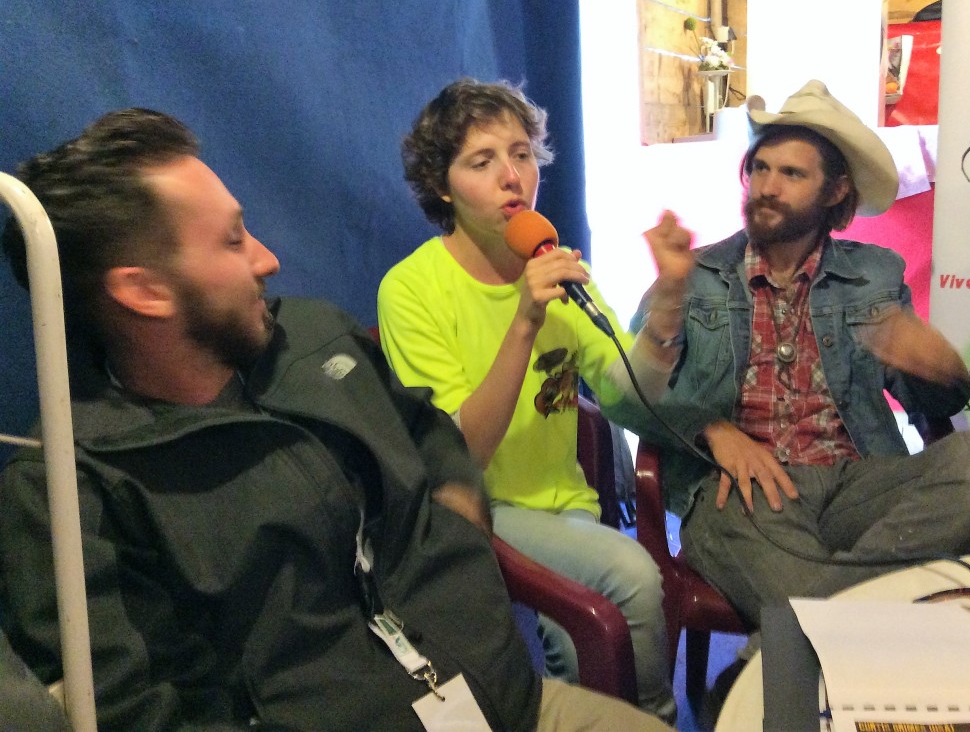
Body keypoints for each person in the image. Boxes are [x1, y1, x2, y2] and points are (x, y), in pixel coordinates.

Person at [0, 108, 676, 732]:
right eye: (233, 241)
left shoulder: (316, 335)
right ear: (144, 290)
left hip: (504, 698)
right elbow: (138, 712)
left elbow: (433, 435)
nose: (267, 259)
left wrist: (461, 550)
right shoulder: (73, 492)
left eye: (522, 153)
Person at [607, 80, 970, 636]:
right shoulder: (697, 275)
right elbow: (623, 397)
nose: (767, 187)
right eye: (760, 168)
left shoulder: (874, 273)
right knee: (812, 586)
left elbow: (934, 405)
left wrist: (942, 369)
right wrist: (710, 429)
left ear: (835, 191)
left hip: (858, 482)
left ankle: (798, 641)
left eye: (791, 174)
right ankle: (866, 628)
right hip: (746, 495)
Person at [377, 78, 693, 723]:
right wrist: (524, 320)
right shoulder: (410, 290)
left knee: (591, 636)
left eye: (521, 154)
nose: (511, 176)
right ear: (442, 186)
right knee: (631, 576)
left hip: (566, 507)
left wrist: (667, 304)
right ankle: (655, 721)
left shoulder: (557, 267)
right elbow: (460, 454)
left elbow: (629, 398)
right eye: (481, 161)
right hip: (475, 510)